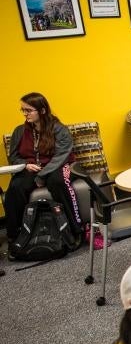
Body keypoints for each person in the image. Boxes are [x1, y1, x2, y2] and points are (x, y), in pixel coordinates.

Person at [5, 92, 81, 241]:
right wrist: (26, 164)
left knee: (58, 182)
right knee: (16, 187)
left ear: (42, 110)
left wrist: (42, 175)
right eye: (23, 110)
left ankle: (75, 230)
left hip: (59, 165)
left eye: (28, 110)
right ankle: (15, 237)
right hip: (32, 169)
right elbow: (13, 157)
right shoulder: (19, 131)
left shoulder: (58, 129)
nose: (25, 114)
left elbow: (62, 155)